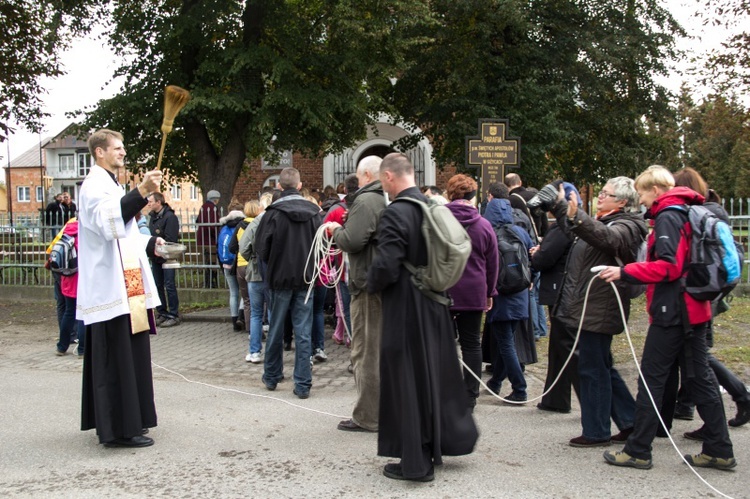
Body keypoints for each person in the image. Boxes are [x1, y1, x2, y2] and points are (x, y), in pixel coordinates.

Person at [601, 165, 736, 470]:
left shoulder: (668, 217)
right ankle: (719, 447)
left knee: (651, 378)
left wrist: (626, 271)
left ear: (657, 191)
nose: (642, 200)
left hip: (673, 310)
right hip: (696, 308)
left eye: (644, 193)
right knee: (700, 378)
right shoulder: (690, 210)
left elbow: (668, 267)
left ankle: (638, 449)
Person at [367, 153, 477, 482]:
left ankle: (415, 463)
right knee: (434, 377)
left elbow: (386, 265)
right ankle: (436, 447)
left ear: (388, 177)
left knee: (406, 379)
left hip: (406, 306)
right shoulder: (433, 206)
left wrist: (369, 284)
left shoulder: (396, 213)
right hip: (436, 302)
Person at [77, 129, 162, 448]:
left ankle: (133, 419)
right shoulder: (93, 185)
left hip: (127, 286)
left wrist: (151, 242)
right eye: (117, 147)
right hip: (110, 288)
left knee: (132, 353)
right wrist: (141, 191)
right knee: (118, 356)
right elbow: (108, 224)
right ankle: (118, 429)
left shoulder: (110, 184)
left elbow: (124, 233)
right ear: (99, 152)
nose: (123, 152)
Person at [549, 177, 646, 448]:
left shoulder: (627, 225)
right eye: (600, 191)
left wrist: (576, 214)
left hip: (600, 308)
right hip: (591, 306)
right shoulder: (603, 221)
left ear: (623, 202)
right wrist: (561, 208)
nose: (600, 196)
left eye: (606, 193)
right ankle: (629, 421)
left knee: (593, 370)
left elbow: (608, 240)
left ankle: (596, 430)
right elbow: (581, 234)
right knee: (602, 367)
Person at [669, 167, 750, 429]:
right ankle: (688, 405)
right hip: (707, 292)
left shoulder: (697, 215)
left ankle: (739, 396)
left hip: (697, 294)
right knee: (694, 357)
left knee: (698, 359)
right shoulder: (713, 211)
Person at [326, 156, 386, 432]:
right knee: (373, 349)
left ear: (365, 174)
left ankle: (368, 416)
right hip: (378, 281)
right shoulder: (382, 199)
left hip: (366, 284)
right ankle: (378, 411)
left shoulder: (366, 200)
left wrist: (336, 229)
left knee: (365, 351)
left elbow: (352, 241)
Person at [255, 167, 323, 399]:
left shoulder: (272, 213)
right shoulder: (315, 212)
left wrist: (275, 262)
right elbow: (321, 246)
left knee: (276, 328)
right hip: (306, 278)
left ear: (280, 187)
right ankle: (303, 383)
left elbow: (261, 248)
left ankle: (273, 376)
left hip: (280, 278)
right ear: (300, 185)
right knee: (303, 332)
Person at [444, 174, 498, 410]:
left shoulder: (438, 221)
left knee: (443, 343)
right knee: (471, 344)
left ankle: (444, 390)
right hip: (474, 289)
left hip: (444, 287)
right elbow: (493, 262)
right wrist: (490, 291)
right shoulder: (483, 225)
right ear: (472, 196)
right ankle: (470, 393)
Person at [483, 191, 534, 404]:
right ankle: (495, 382)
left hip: (500, 294)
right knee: (508, 340)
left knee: (505, 343)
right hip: (520, 292)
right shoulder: (519, 232)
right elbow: (533, 257)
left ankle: (519, 388)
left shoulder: (489, 233)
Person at [530, 216, 577, 413]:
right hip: (566, 289)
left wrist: (537, 253)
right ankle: (555, 398)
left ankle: (558, 399)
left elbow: (546, 258)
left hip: (560, 288)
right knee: (563, 346)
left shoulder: (562, 226)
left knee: (563, 347)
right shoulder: (574, 225)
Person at [504, 173, 547, 340]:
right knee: (536, 290)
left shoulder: (512, 200)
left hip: (523, 243)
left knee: (528, 289)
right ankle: (542, 328)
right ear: (520, 182)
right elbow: (543, 220)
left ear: (508, 186)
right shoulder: (534, 196)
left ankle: (535, 329)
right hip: (538, 242)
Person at [239, 193, 273, 363]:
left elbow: (243, 247)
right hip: (272, 273)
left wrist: (252, 258)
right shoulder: (276, 221)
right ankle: (274, 352)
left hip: (254, 272)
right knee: (273, 312)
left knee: (256, 313)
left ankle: (254, 352)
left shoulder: (254, 223)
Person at [147, 192, 181, 327]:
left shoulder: (170, 217)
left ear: (158, 202)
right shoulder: (153, 217)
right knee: (158, 285)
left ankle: (173, 313)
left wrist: (160, 248)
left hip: (168, 258)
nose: (148, 204)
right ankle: (162, 312)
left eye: (150, 201)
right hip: (156, 257)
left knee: (169, 285)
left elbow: (171, 240)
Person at [53, 217, 85, 357]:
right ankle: (82, 349)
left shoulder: (67, 230)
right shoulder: (85, 234)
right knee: (83, 314)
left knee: (69, 312)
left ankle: (62, 346)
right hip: (82, 279)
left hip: (67, 278)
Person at [218, 203, 246, 331]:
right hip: (239, 263)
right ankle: (241, 316)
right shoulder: (243, 225)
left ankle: (234, 322)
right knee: (244, 292)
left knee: (233, 293)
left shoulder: (223, 228)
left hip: (226, 264)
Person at [197, 189, 221, 288]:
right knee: (212, 260)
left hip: (201, 240)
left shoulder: (203, 207)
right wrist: (217, 236)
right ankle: (211, 282)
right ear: (215, 199)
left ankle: (208, 281)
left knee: (207, 260)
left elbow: (198, 220)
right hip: (209, 240)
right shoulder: (212, 208)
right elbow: (213, 226)